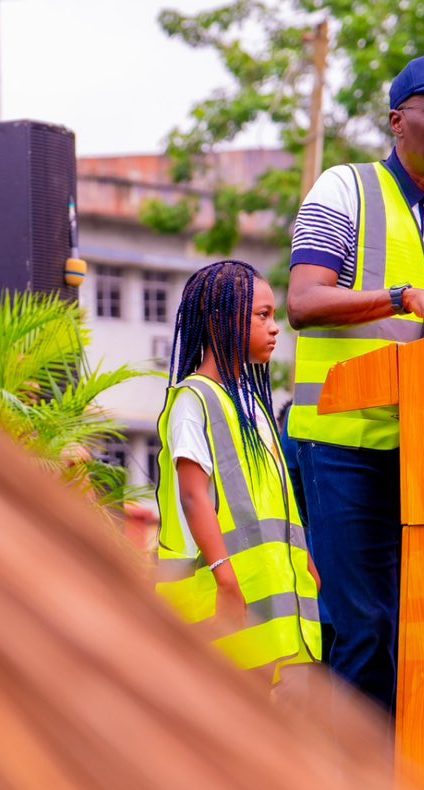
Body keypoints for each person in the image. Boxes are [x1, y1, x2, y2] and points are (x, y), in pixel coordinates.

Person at [285, 53, 424, 715]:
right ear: (396, 120)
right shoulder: (344, 189)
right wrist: (401, 297)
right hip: (344, 446)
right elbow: (303, 301)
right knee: (364, 629)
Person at [152, 259, 322, 685]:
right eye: (262, 315)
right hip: (228, 607)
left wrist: (305, 561)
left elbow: (274, 498)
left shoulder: (252, 404)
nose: (275, 327)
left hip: (279, 611)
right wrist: (226, 579)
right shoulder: (194, 400)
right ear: (221, 321)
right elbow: (194, 497)